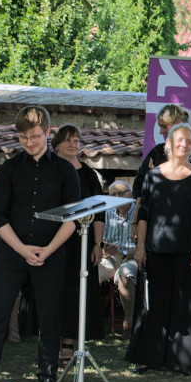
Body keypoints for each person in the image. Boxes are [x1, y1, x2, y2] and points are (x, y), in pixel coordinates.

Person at [0, 106, 80, 382]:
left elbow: (72, 219)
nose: (29, 142)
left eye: (34, 136)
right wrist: (23, 249)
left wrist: (47, 251)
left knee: (49, 316)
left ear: (48, 132)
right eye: (23, 137)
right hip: (12, 252)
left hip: (52, 253)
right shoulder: (9, 168)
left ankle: (47, 378)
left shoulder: (65, 170)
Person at [127, 123, 191, 375]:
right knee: (154, 305)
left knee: (184, 305)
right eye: (179, 140)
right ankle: (148, 357)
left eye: (189, 140)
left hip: (188, 251)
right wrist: (140, 247)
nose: (184, 144)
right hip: (155, 250)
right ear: (168, 143)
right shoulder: (152, 176)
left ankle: (180, 360)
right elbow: (143, 214)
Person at [51, 125, 106, 367]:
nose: (74, 145)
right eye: (68, 141)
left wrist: (97, 244)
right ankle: (48, 343)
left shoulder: (89, 175)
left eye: (76, 140)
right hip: (53, 241)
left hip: (82, 243)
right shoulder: (48, 171)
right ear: (56, 145)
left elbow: (100, 214)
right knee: (54, 291)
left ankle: (68, 347)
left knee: (76, 294)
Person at [133, 104, 191, 249]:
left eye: (164, 126)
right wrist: (135, 222)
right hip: (158, 232)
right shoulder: (156, 152)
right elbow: (141, 190)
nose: (161, 131)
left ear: (177, 124)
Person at [98, 181, 138, 337]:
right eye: (113, 194)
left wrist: (124, 254)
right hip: (110, 259)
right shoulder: (106, 214)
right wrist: (103, 247)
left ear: (131, 194)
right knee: (86, 274)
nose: (116, 197)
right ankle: (87, 321)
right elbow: (99, 242)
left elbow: (144, 245)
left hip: (131, 259)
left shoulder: (139, 214)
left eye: (120, 193)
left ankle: (129, 322)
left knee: (125, 274)